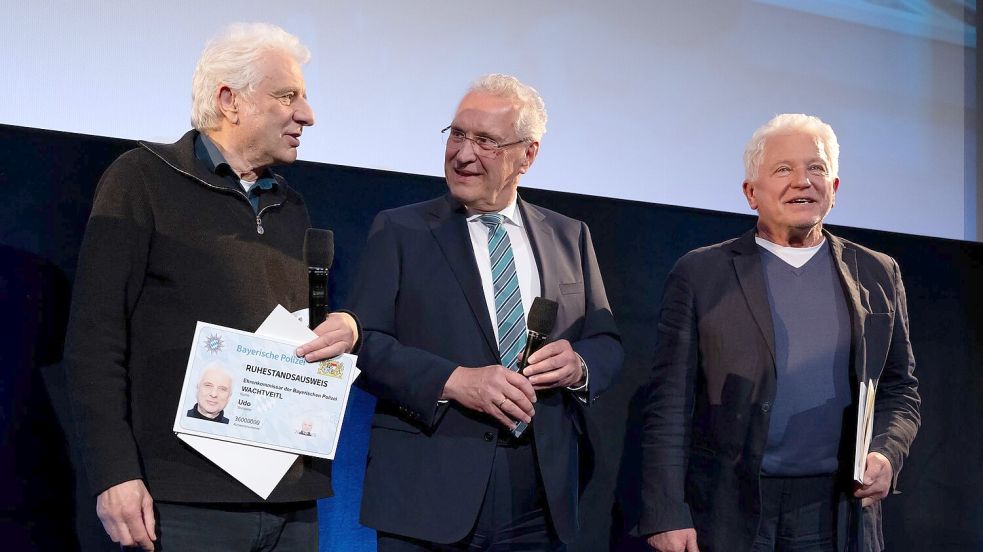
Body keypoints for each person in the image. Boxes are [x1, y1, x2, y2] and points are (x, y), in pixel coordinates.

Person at [64, 22, 359, 551]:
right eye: (287, 96)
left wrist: (336, 333)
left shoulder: (291, 206)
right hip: (182, 503)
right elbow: (94, 340)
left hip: (289, 500)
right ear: (230, 100)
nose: (307, 115)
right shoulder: (141, 179)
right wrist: (114, 473)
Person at [344, 74, 623, 550]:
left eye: (486, 141)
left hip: (538, 496)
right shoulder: (400, 230)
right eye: (457, 134)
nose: (463, 153)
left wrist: (579, 365)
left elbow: (606, 343)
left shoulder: (569, 236)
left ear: (527, 155)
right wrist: (456, 381)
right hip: (429, 489)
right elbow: (364, 344)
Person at [639, 114, 921, 552]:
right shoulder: (701, 273)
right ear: (751, 192)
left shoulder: (878, 273)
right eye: (783, 169)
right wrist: (665, 511)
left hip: (837, 508)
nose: (803, 182)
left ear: (835, 189)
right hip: (729, 507)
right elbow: (669, 403)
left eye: (817, 168)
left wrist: (886, 452)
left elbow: (900, 390)